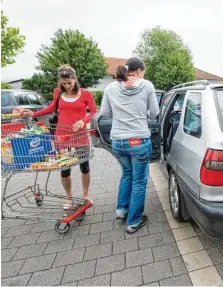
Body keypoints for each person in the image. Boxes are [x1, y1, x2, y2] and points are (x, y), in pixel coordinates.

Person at [21, 65, 97, 209]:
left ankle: (85, 195)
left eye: (69, 83)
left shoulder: (86, 94)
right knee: (64, 167)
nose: (67, 86)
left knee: (84, 166)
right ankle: (68, 198)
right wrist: (33, 114)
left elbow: (93, 112)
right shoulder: (58, 92)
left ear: (75, 79)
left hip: (80, 134)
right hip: (62, 135)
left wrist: (83, 120)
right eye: (64, 83)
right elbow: (51, 108)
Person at [100, 57, 159, 234]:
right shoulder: (147, 85)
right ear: (139, 70)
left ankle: (121, 210)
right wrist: (142, 113)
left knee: (127, 174)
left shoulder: (111, 87)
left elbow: (104, 112)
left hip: (118, 141)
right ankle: (134, 221)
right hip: (138, 140)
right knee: (139, 181)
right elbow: (155, 112)